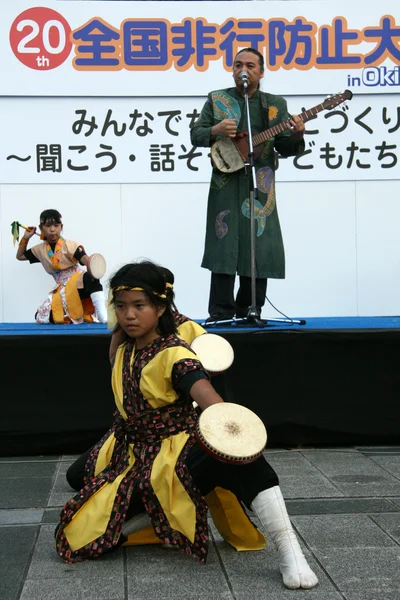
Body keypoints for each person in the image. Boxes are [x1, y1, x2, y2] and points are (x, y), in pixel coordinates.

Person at [57, 259, 318, 590]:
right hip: (133, 459)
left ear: (161, 305)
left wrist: (234, 432)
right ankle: (154, 516)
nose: (129, 315)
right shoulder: (125, 346)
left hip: (173, 457)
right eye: (121, 307)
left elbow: (210, 397)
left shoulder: (176, 354)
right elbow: (114, 361)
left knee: (236, 459)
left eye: (139, 306)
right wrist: (117, 328)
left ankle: (290, 550)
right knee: (78, 531)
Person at [190, 47, 305, 322]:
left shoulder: (275, 104)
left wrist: (298, 133)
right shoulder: (217, 100)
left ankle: (250, 310)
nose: (244, 69)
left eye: (251, 65)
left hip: (260, 183)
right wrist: (215, 131)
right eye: (238, 64)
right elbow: (196, 133)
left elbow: (286, 147)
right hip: (225, 184)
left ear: (261, 72)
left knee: (260, 244)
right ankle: (220, 312)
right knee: (224, 243)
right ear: (232, 70)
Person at [16, 209, 107, 324]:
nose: (52, 229)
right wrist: (26, 238)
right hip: (61, 288)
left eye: (56, 225)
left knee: (90, 277)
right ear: (41, 228)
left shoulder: (70, 245)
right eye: (48, 226)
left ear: (61, 226)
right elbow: (20, 256)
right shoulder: (39, 250)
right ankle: (73, 315)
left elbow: (87, 261)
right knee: (42, 316)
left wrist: (93, 265)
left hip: (78, 283)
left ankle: (103, 316)